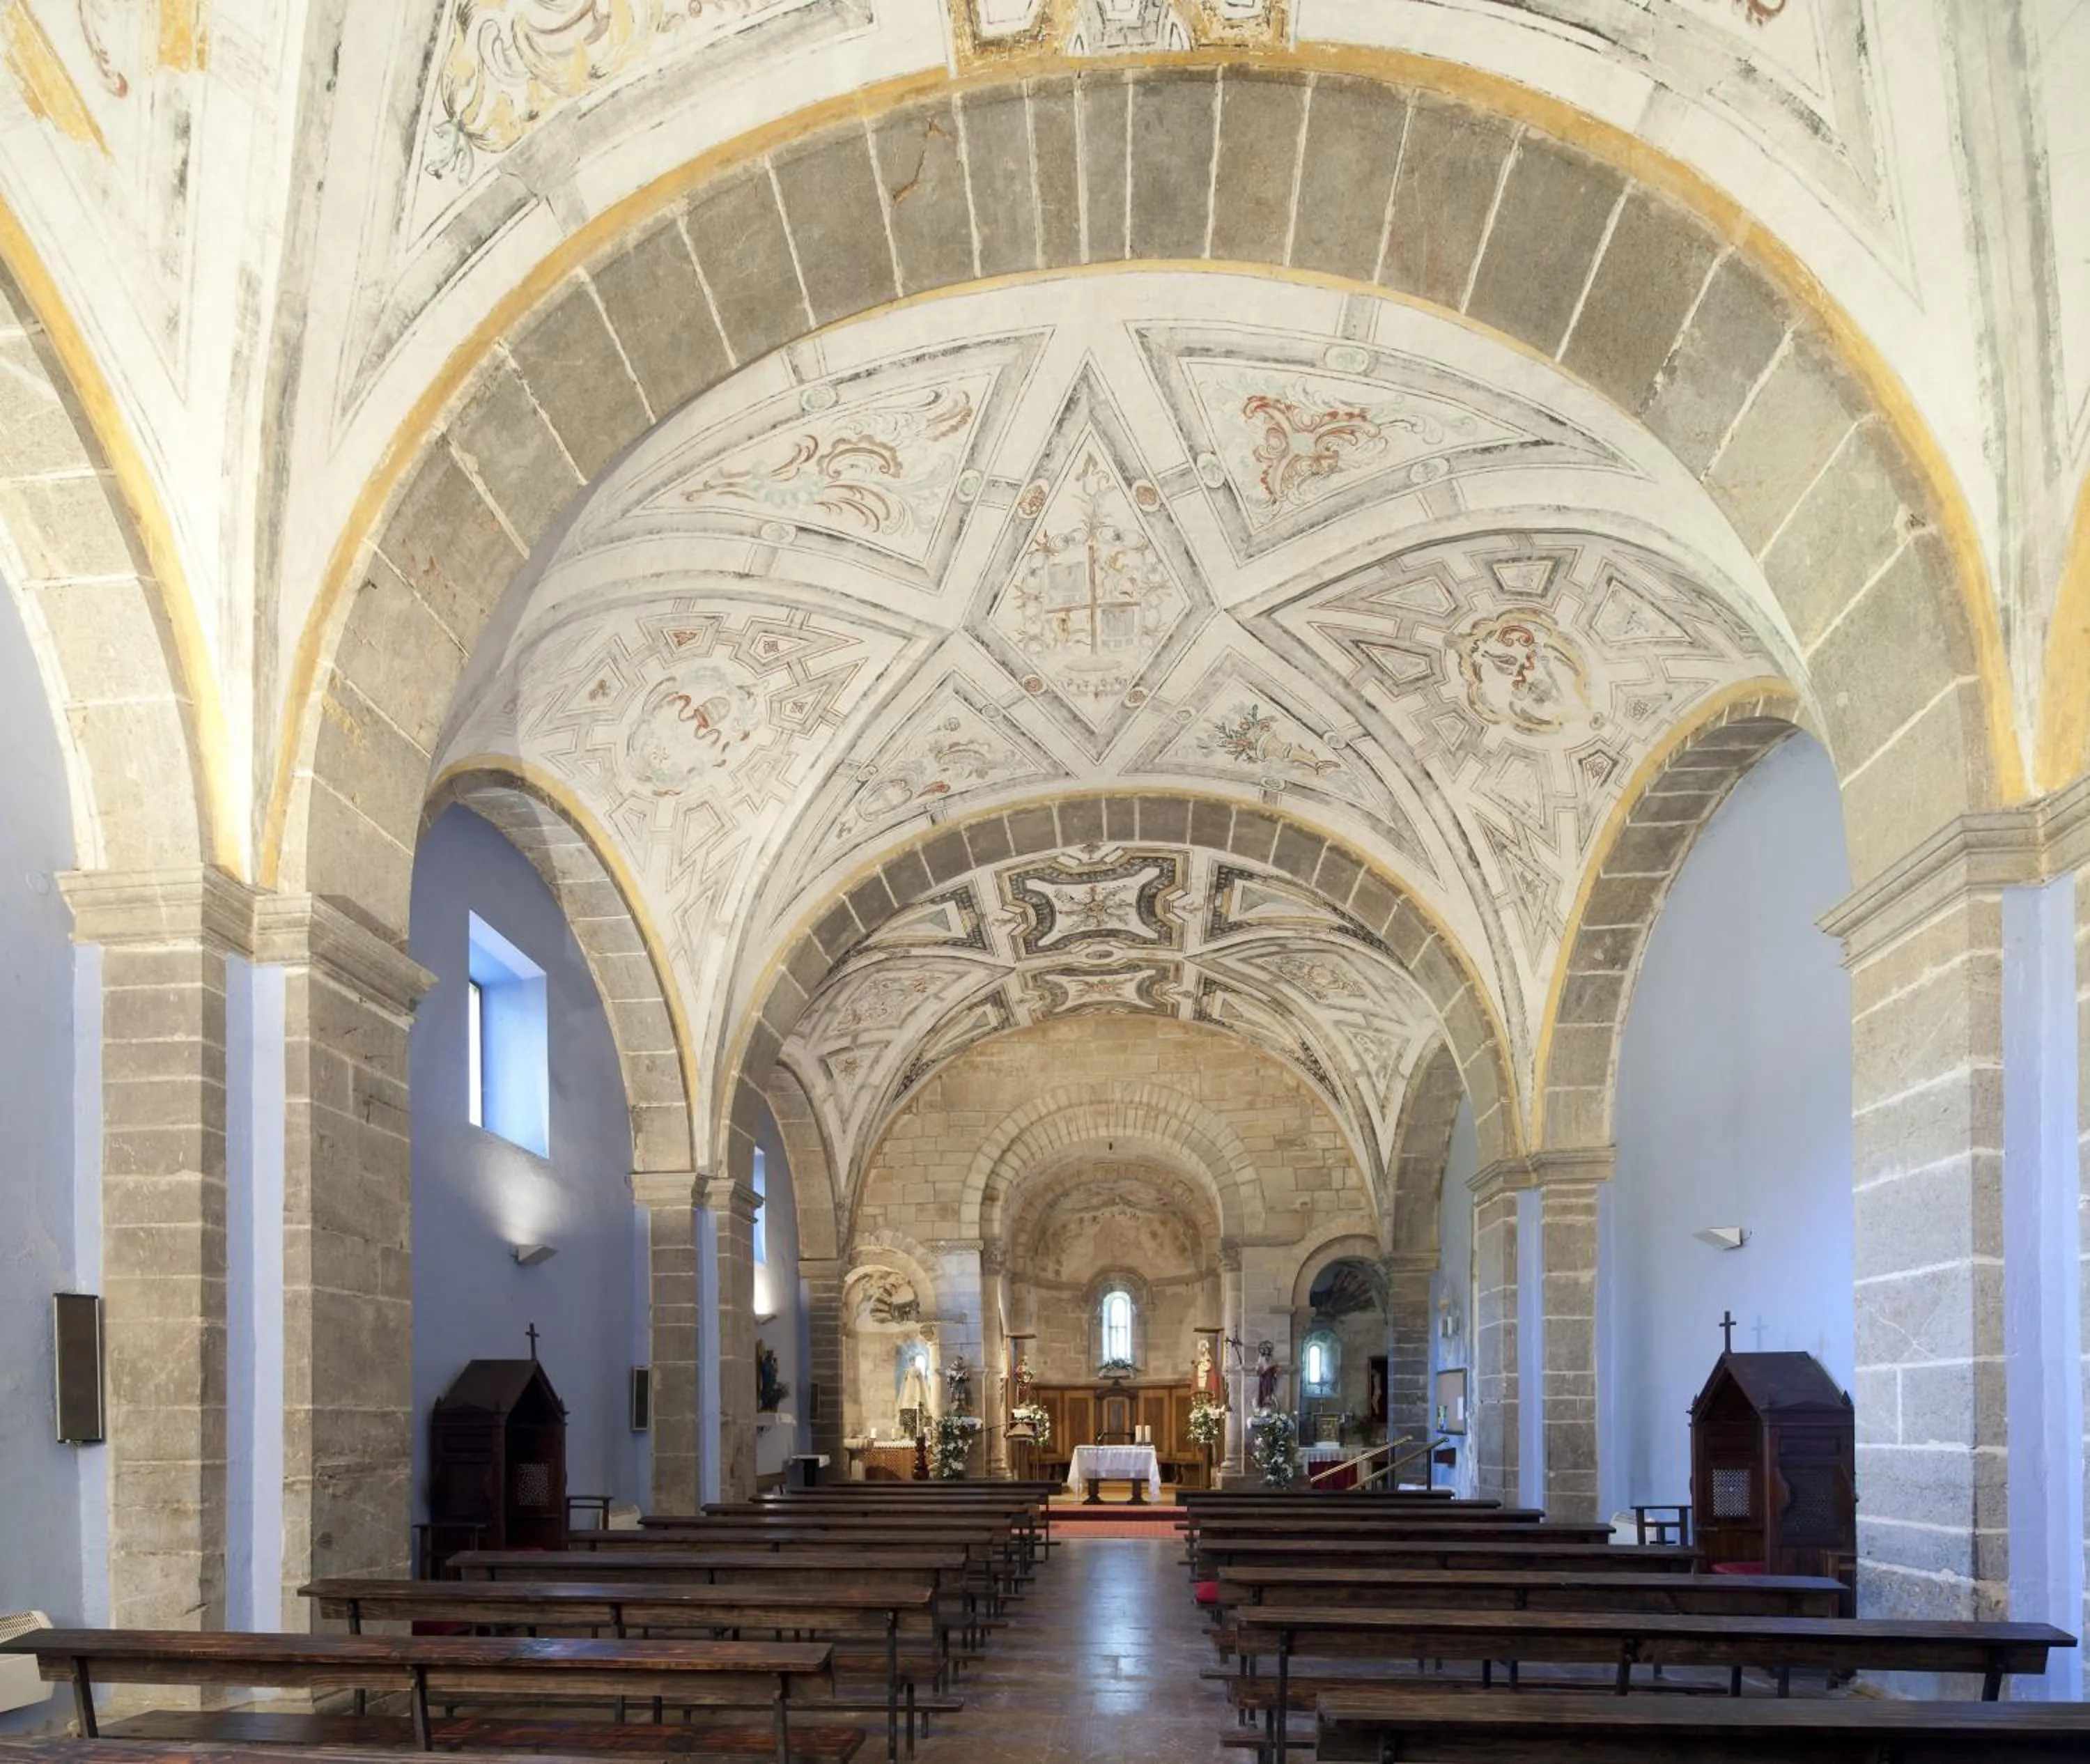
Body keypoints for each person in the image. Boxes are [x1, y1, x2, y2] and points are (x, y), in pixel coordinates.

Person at [1255, 1340, 1280, 1411]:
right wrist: (1257, 1370)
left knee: (1270, 1387)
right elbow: (1258, 1366)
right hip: (1264, 1376)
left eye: (1268, 1350)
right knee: (1264, 1388)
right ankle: (1265, 1399)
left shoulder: (1272, 1359)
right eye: (1265, 1350)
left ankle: (1269, 1398)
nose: (1267, 1352)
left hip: (1271, 1377)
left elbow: (1276, 1367)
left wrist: (1276, 1370)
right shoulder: (1261, 1358)